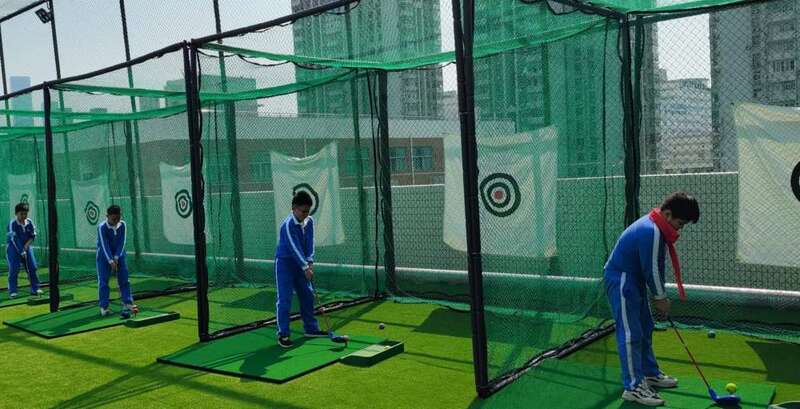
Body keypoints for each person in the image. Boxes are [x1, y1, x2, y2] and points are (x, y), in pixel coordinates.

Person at [604, 192, 700, 406]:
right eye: (680, 223)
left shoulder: (658, 227)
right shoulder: (652, 230)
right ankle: (633, 387)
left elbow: (657, 266)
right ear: (668, 214)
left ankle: (648, 373)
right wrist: (660, 298)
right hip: (621, 279)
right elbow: (652, 269)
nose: (679, 229)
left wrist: (660, 295)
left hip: (633, 279)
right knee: (630, 333)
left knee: (645, 326)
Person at [274, 191, 327, 348]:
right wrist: (305, 267)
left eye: (308, 211)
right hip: (285, 264)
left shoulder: (309, 221)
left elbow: (310, 242)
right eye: (303, 211)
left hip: (302, 263)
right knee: (285, 299)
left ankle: (311, 328)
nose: (305, 214)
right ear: (294, 208)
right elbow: (294, 248)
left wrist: (310, 262)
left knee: (307, 295)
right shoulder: (288, 225)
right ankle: (283, 334)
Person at [96, 205, 136, 317]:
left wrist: (117, 257)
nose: (116, 221)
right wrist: (111, 261)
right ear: (107, 216)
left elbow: (122, 242)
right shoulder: (102, 227)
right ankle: (104, 307)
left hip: (119, 256)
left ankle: (127, 303)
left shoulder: (122, 225)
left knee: (124, 279)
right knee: (103, 282)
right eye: (113, 219)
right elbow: (104, 245)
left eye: (118, 218)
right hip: (104, 257)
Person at [6, 203, 42, 299]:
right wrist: (21, 251)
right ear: (16, 214)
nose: (23, 216)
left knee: (32, 267)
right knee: (14, 269)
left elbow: (32, 236)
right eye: (21, 214)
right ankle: (13, 291)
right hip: (13, 248)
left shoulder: (29, 222)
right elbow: (14, 239)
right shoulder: (12, 223)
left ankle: (35, 288)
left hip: (27, 247)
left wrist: (26, 246)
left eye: (25, 214)